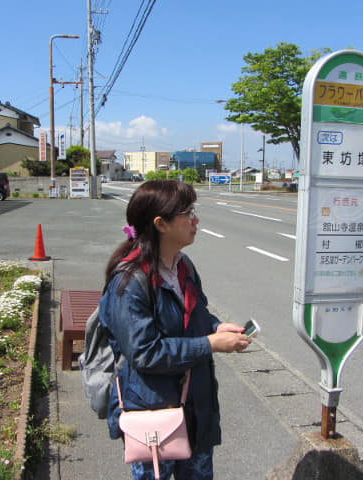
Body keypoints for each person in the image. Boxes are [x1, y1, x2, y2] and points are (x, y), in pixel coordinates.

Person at [98, 179, 251, 480]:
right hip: (152, 412)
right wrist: (210, 343)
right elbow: (145, 353)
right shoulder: (129, 284)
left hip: (196, 407)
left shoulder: (184, 267)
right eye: (188, 212)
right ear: (161, 224)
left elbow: (197, 314)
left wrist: (217, 326)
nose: (196, 220)